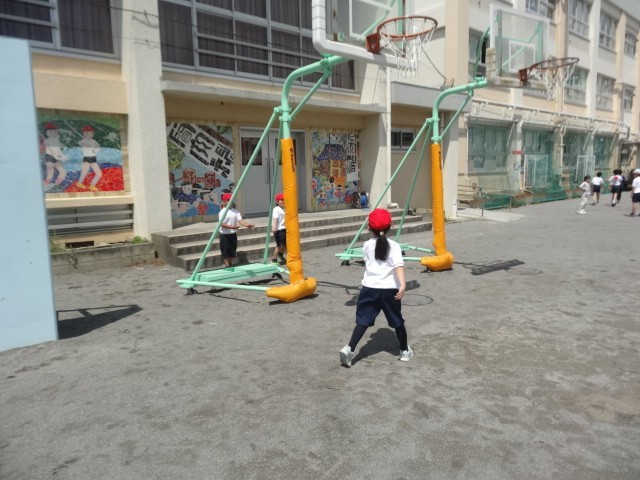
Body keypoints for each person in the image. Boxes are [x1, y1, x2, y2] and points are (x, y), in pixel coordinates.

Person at [339, 208, 412, 367]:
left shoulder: (366, 245)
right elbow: (398, 266)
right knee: (397, 321)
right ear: (390, 226)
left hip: (369, 288)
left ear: (369, 228)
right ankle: (404, 351)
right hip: (389, 290)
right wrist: (403, 284)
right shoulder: (394, 246)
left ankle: (349, 348)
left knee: (363, 321)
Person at [218, 192, 254, 267]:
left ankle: (230, 264)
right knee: (225, 251)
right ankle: (227, 264)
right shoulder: (222, 212)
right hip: (224, 235)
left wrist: (247, 225)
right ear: (224, 202)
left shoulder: (235, 211)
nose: (231, 202)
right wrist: (232, 227)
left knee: (232, 251)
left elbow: (240, 220)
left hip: (233, 234)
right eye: (228, 200)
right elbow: (221, 224)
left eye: (231, 200)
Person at [42, 123, 68, 190]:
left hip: (56, 158)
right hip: (50, 158)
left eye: (54, 131)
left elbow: (58, 149)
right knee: (50, 173)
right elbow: (53, 150)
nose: (52, 133)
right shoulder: (47, 141)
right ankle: (46, 184)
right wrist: (59, 156)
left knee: (63, 172)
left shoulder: (56, 140)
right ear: (46, 132)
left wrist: (61, 155)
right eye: (50, 131)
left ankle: (56, 184)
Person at [76, 125, 102, 191]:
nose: (90, 135)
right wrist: (86, 144)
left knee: (99, 173)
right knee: (84, 172)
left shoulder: (94, 141)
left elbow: (98, 147)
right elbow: (79, 143)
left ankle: (92, 185)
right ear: (84, 134)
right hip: (87, 158)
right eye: (88, 133)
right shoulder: (82, 141)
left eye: (91, 133)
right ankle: (79, 183)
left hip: (93, 159)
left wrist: (95, 150)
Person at [271, 193, 286, 265]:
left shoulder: (283, 209)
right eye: (281, 200)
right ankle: (274, 259)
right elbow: (275, 218)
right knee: (279, 245)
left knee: (285, 245)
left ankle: (280, 254)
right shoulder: (276, 209)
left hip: (284, 229)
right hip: (279, 230)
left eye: (284, 200)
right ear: (277, 201)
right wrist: (274, 227)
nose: (283, 201)